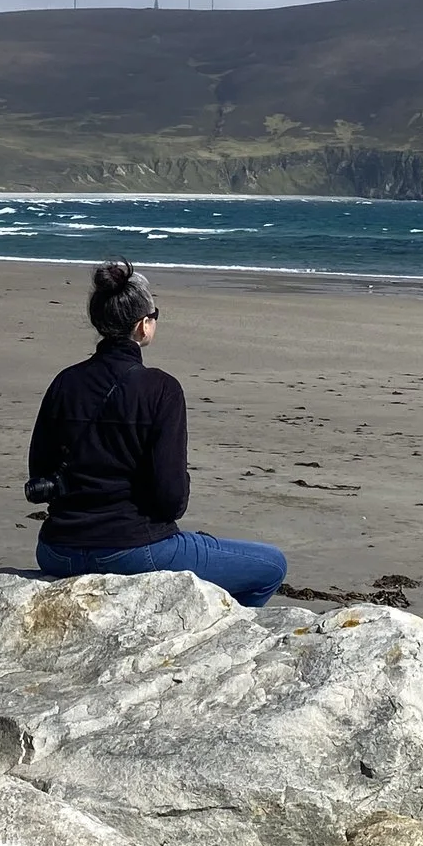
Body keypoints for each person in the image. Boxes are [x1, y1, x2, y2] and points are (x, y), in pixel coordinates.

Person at [29, 259, 287, 606]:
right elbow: (171, 499)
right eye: (154, 316)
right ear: (142, 326)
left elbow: (39, 473)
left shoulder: (65, 382)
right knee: (271, 565)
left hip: (56, 550)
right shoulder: (161, 389)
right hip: (134, 549)